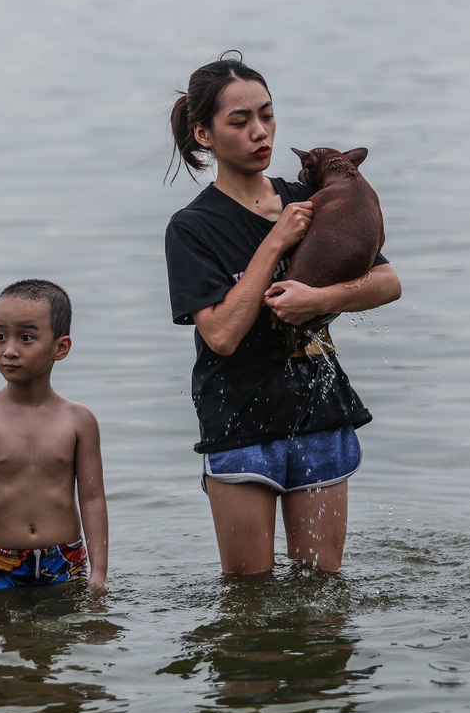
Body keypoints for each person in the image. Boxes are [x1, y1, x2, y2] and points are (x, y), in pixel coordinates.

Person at [164, 51, 402, 575]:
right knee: (248, 595)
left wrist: (321, 300)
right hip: (239, 422)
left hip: (319, 411)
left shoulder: (313, 198)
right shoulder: (192, 228)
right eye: (240, 120)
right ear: (204, 135)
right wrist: (275, 242)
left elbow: (387, 282)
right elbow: (222, 335)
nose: (260, 131)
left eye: (267, 115)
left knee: (322, 588)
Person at [0, 279, 108, 596]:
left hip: (64, 557)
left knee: (65, 639)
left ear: (60, 347)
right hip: (0, 558)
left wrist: (99, 572)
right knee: (4, 632)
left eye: (25, 337)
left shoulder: (79, 421)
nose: (9, 350)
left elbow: (92, 499)